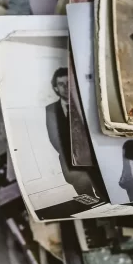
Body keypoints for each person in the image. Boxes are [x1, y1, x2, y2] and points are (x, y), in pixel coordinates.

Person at [45, 67, 97, 199]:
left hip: (95, 163)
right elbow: (54, 139)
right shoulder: (51, 110)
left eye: (68, 83)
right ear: (56, 88)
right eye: (61, 84)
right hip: (73, 168)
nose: (65, 87)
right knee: (89, 204)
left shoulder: (85, 102)